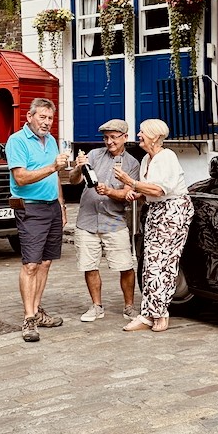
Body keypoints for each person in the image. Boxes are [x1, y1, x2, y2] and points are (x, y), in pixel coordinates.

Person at [114, 118, 192, 334]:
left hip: (173, 212)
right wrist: (136, 192)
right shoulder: (148, 159)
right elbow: (149, 190)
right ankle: (148, 313)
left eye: (142, 132)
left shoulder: (167, 157)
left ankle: (159, 314)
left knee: (163, 263)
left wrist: (131, 182)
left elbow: (159, 190)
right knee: (150, 262)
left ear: (155, 137)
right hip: (157, 212)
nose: (138, 135)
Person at [5, 98, 70, 342]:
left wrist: (61, 206)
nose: (46, 122)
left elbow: (56, 180)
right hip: (30, 208)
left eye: (50, 118)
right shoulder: (17, 141)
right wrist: (53, 167)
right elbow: (20, 178)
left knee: (45, 263)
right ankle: (28, 319)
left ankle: (38, 310)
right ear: (29, 117)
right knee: (30, 264)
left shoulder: (51, 141)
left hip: (52, 207)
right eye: (42, 117)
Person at [65, 118, 140, 322]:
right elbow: (73, 181)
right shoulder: (95, 155)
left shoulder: (132, 164)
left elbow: (127, 193)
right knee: (89, 265)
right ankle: (96, 306)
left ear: (125, 137)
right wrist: (78, 168)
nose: (109, 142)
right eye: (106, 138)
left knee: (125, 266)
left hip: (114, 221)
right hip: (87, 220)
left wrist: (108, 191)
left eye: (114, 137)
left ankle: (129, 307)